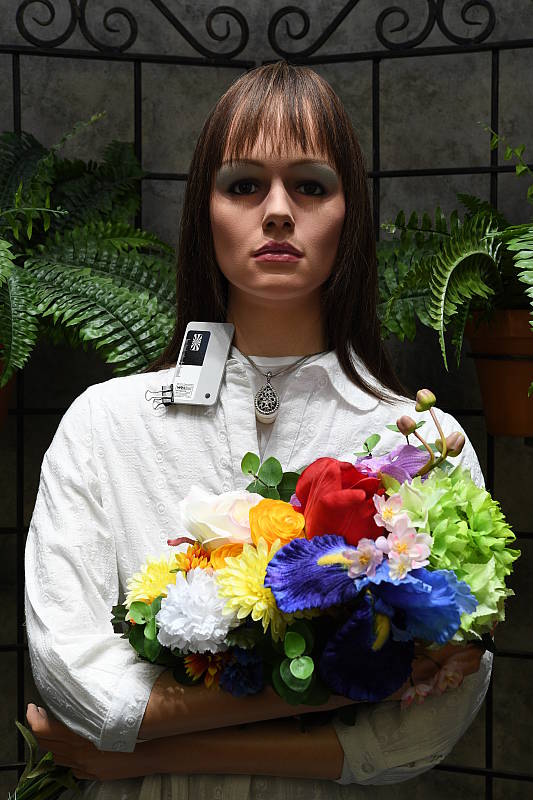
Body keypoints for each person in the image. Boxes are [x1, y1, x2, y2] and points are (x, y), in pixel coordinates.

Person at [25, 61, 492, 798]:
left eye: (310, 186)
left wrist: (144, 754)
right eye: (244, 185)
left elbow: (423, 732)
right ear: (203, 211)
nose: (277, 211)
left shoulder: (422, 444)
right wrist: (365, 676)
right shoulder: (105, 425)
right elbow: (74, 678)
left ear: (350, 212)